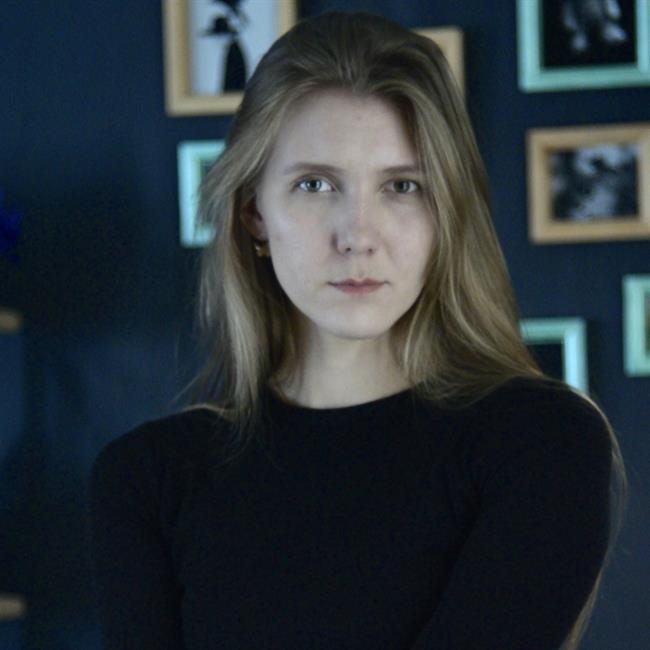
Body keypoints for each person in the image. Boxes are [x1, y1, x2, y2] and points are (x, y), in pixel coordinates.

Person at [88, 10, 628, 650]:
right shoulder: (148, 477)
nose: (357, 236)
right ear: (254, 212)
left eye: (402, 186)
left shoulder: (540, 441)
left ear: (446, 214)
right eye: (315, 184)